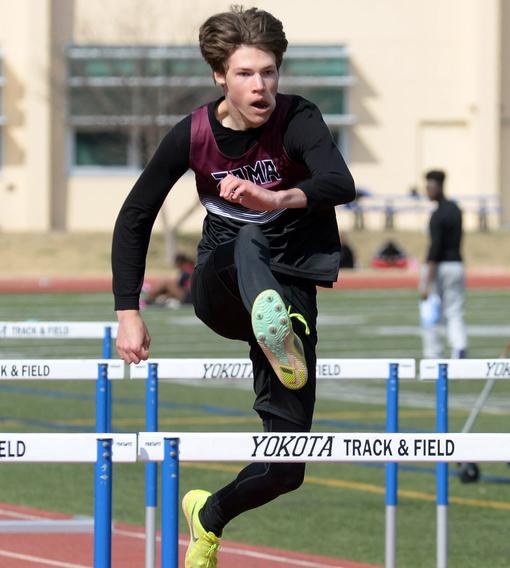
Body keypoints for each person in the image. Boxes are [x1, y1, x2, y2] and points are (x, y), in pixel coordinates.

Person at [111, 7, 355, 567]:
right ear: (220, 76)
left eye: (269, 72)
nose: (261, 86)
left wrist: (276, 199)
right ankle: (270, 318)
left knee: (286, 467)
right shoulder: (194, 133)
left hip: (291, 292)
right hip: (221, 285)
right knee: (247, 240)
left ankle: (209, 516)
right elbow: (135, 216)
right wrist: (128, 311)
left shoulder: (298, 118)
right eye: (246, 74)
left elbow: (338, 180)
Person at [419, 169, 468, 359]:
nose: (427, 190)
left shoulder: (438, 214)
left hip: (438, 267)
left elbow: (435, 248)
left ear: (437, 187)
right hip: (457, 265)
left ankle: (433, 356)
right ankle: (459, 347)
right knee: (454, 311)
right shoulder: (455, 209)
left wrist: (427, 282)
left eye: (429, 186)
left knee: (431, 314)